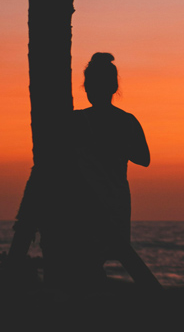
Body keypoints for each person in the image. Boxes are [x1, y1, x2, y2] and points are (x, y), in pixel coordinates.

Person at [42, 52, 161, 292]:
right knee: (102, 260)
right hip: (114, 200)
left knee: (84, 264)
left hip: (85, 202)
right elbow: (143, 158)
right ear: (114, 87)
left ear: (87, 87)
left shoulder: (76, 121)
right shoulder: (127, 121)